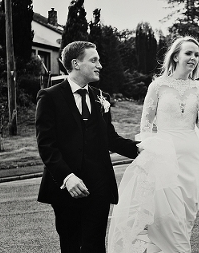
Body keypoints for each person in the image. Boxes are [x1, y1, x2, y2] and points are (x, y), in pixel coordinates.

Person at [107, 36, 199, 253]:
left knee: (187, 212)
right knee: (165, 216)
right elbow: (146, 125)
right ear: (175, 56)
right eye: (189, 53)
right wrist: (147, 157)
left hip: (191, 157)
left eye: (197, 55)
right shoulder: (157, 86)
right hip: (164, 156)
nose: (193, 58)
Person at [35, 41, 140, 252]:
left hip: (99, 187)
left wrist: (140, 150)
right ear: (75, 63)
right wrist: (67, 177)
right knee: (71, 246)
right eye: (94, 60)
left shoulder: (102, 98)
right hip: (66, 188)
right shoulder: (50, 97)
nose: (100, 65)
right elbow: (46, 145)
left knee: (95, 247)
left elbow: (110, 138)